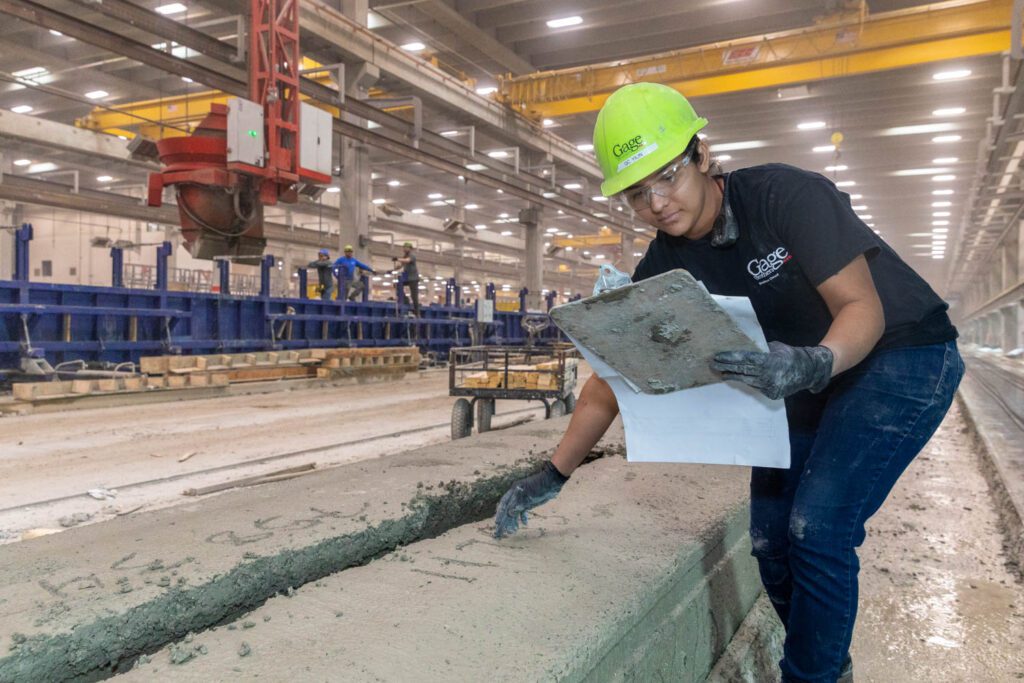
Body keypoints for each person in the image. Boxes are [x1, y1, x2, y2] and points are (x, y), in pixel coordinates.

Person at [492, 83, 962, 683]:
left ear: (702, 155)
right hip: (802, 375)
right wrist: (552, 474)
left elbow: (861, 310)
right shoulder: (665, 268)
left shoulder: (786, 196)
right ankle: (824, 664)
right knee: (770, 542)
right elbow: (614, 380)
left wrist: (812, 364)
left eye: (667, 177)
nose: (657, 202)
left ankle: (810, 676)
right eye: (637, 194)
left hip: (901, 354)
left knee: (817, 528)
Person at [392, 241, 420, 317]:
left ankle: (417, 312)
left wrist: (397, 259)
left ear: (410, 248)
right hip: (407, 278)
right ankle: (405, 300)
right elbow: (401, 265)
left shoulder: (412, 256)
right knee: (397, 285)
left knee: (414, 295)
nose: (404, 249)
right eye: (403, 247)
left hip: (413, 278)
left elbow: (407, 260)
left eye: (405, 247)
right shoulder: (405, 256)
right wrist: (392, 270)